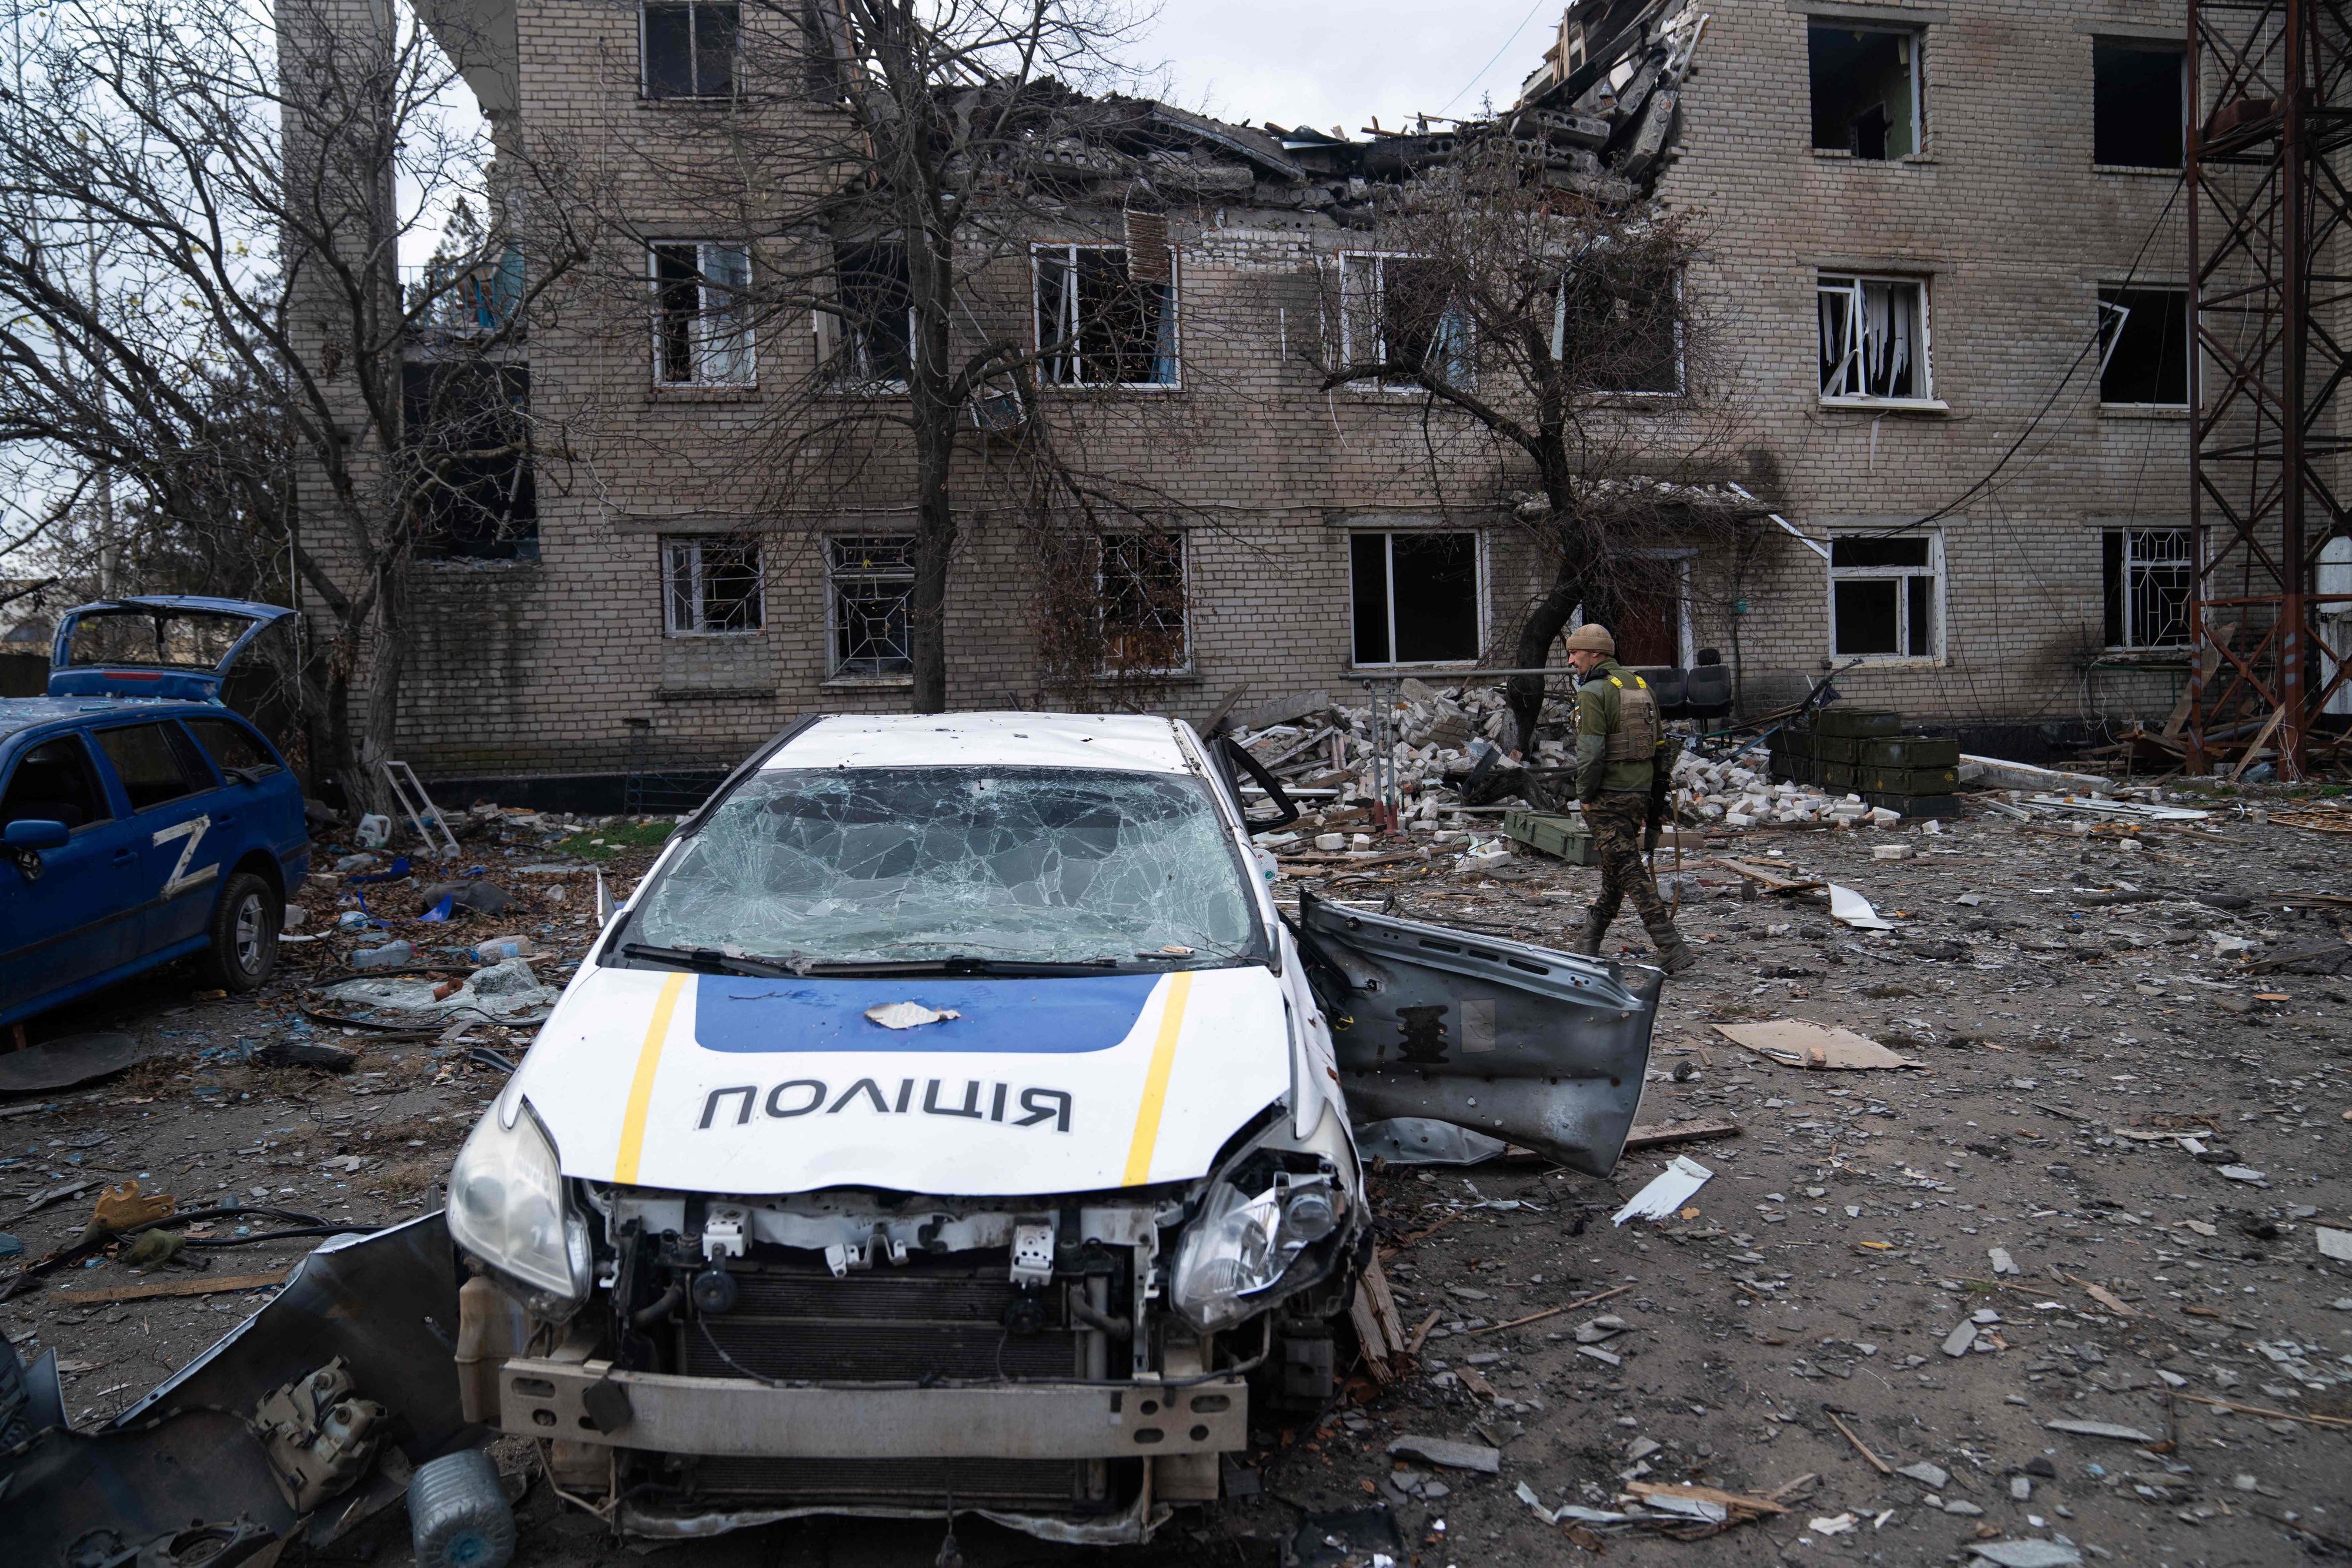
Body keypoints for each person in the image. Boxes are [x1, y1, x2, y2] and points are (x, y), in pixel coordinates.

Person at [1561, 623, 1694, 974]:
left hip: (1607, 795)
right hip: (1638, 791)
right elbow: (1661, 747)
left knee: (1630, 871)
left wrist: (1585, 795)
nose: (1571, 659)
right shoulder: (1639, 686)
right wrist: (1655, 794)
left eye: (1575, 652)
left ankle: (1670, 944)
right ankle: (1590, 938)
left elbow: (1590, 752)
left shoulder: (1593, 692)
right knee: (1616, 868)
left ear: (1596, 654)